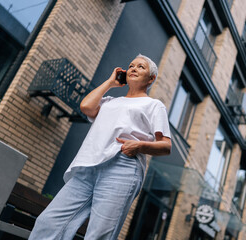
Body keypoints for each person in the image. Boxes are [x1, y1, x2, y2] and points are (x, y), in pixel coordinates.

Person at [29, 54, 172, 240]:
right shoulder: (110, 101)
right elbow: (86, 107)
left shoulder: (154, 105)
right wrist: (110, 83)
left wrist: (139, 145)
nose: (134, 69)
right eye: (131, 66)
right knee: (48, 222)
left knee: (98, 235)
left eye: (141, 67)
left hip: (122, 166)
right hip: (89, 166)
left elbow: (166, 146)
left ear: (151, 78)